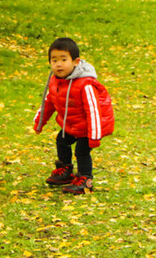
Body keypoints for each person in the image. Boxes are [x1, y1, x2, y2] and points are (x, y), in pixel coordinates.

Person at [33, 37, 115, 194]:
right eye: (54, 60)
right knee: (62, 140)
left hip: (90, 127)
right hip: (71, 124)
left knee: (81, 151)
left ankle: (86, 179)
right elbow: (48, 102)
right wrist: (39, 122)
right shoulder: (55, 81)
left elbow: (94, 110)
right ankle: (65, 170)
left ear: (76, 61)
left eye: (64, 59)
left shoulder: (86, 84)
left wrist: (94, 136)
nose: (58, 64)